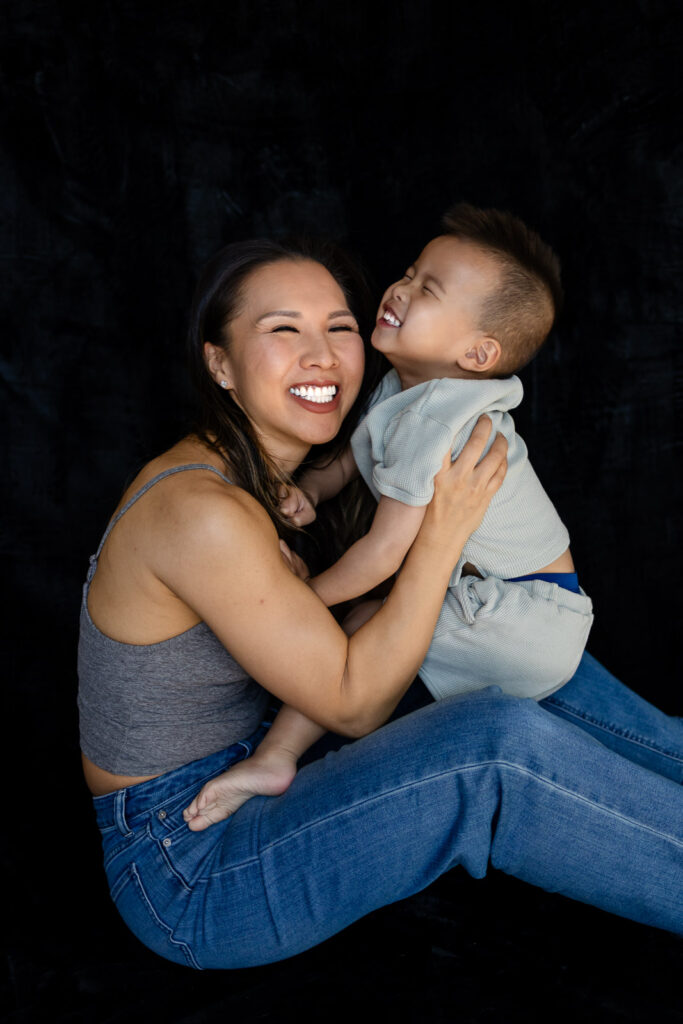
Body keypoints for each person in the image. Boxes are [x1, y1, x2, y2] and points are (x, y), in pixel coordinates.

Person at [79, 237, 683, 972]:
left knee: (517, 666)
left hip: (257, 762)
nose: (322, 354)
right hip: (189, 863)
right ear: (219, 363)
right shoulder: (200, 511)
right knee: (491, 742)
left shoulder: (272, 477)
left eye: (337, 326)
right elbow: (354, 703)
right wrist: (441, 535)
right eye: (283, 329)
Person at [185, 204, 594, 821]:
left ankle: (281, 758)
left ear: (479, 354)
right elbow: (356, 456)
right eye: (409, 272)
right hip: (534, 604)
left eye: (427, 290)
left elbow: (384, 552)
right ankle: (278, 756)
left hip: (527, 615)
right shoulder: (407, 390)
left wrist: (299, 601)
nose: (400, 289)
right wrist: (316, 490)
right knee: (366, 629)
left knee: (362, 637)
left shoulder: (438, 420)